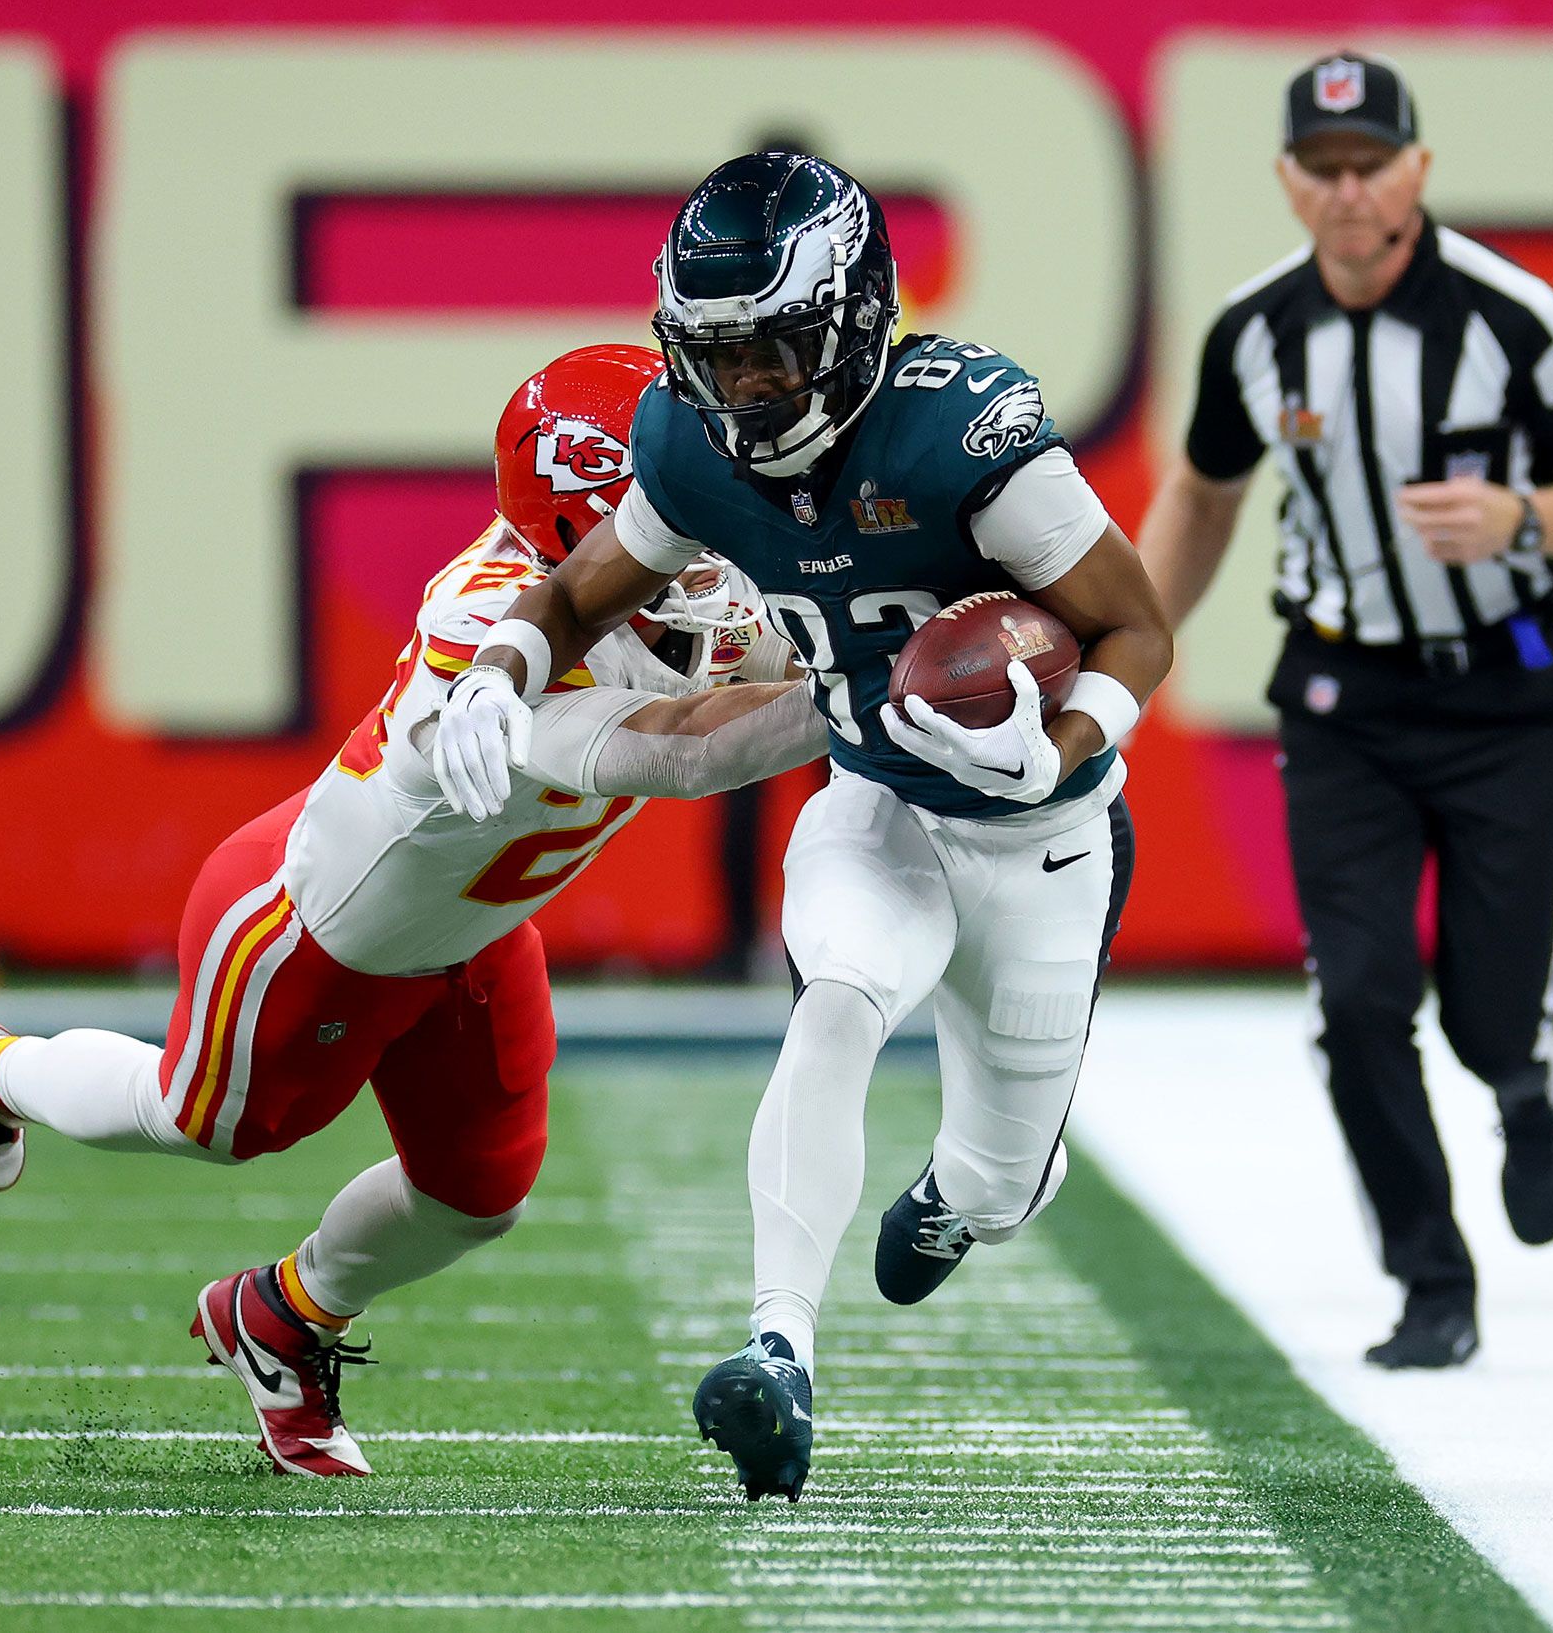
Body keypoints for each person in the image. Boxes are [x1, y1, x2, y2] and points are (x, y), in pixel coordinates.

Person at [0, 344, 824, 1478]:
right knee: (202, 1120)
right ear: (581, 529)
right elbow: (681, 751)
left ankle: (285, 1315)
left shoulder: (672, 586)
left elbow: (776, 643)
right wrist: (867, 694)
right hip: (316, 927)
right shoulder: (485, 630)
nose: (698, 531)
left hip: (475, 929)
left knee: (475, 1196)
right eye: (662, 503)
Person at [431, 153, 1174, 1501]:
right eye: (714, 358)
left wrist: (1054, 744)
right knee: (837, 997)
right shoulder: (686, 446)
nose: (743, 391)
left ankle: (973, 1187)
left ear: (849, 321)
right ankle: (780, 1348)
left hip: (1041, 833)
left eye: (771, 353)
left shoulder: (962, 435)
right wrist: (499, 671)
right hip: (877, 793)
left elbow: (1139, 625)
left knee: (1002, 1190)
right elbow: (577, 592)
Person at [1136, 51, 1553, 1369]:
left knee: (1484, 1016)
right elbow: (1203, 495)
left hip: (1505, 687)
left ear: (1419, 171)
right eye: (1320, 170)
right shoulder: (1254, 331)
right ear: (1285, 182)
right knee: (1360, 994)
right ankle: (1431, 1278)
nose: (1347, 192)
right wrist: (1126, 654)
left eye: (1370, 164)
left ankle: (1529, 1072)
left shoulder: (1507, 316)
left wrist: (1525, 514)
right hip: (1341, 695)